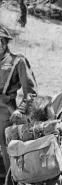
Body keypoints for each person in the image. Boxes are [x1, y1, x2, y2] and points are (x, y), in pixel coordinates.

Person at [0, 26, 38, 175]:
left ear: (4, 43)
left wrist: (20, 110)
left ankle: (13, 184)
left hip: (5, 111)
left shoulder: (18, 61)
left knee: (7, 146)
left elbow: (31, 92)